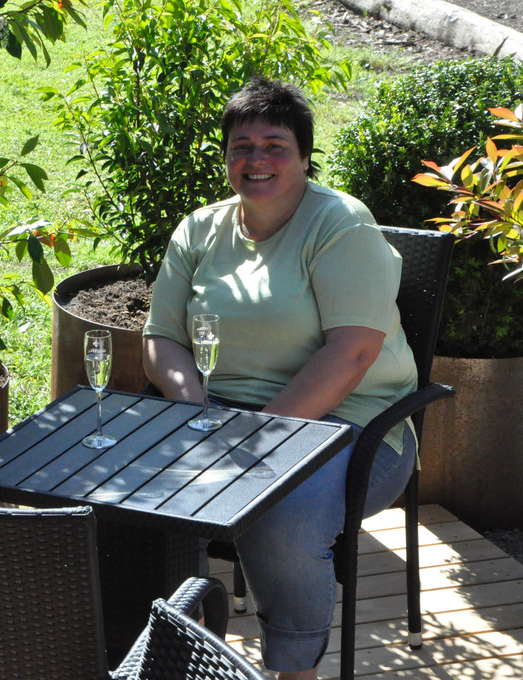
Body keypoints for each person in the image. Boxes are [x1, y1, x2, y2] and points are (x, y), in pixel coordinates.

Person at [142, 77, 418, 680]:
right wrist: (194, 408)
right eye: (241, 146)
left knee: (278, 514)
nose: (256, 159)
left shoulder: (340, 225)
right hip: (219, 415)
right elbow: (160, 339)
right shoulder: (200, 229)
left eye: (275, 145)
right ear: (225, 158)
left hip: (351, 423)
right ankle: (163, 651)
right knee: (128, 492)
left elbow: (352, 354)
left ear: (305, 156)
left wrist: (254, 437)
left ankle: (295, 671)